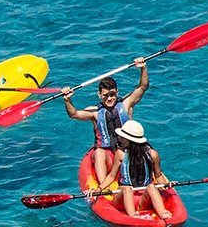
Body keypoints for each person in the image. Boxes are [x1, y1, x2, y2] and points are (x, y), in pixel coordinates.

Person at [62, 58, 149, 188]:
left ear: (117, 92)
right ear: (99, 95)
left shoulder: (126, 104)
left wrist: (143, 68)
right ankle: (104, 188)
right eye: (105, 96)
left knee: (146, 149)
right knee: (98, 152)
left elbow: (142, 87)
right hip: (108, 157)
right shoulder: (95, 112)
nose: (109, 98)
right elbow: (74, 114)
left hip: (127, 153)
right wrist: (67, 100)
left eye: (112, 94)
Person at [112, 120, 172, 221]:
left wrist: (167, 185)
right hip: (123, 199)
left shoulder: (153, 154)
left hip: (142, 200)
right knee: (127, 188)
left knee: (151, 186)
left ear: (130, 140)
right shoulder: (121, 153)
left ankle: (163, 213)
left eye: (123, 137)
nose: (120, 139)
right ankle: (133, 217)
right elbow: (111, 176)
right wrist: (99, 189)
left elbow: (158, 175)